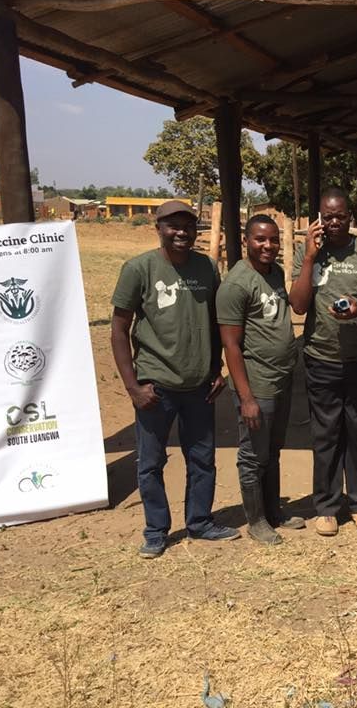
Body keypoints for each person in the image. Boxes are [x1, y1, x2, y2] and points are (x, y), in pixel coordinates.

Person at [110, 200, 239, 559]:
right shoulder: (139, 269)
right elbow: (119, 329)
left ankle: (200, 521)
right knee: (151, 462)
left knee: (202, 458)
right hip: (156, 386)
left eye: (188, 226)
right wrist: (133, 386)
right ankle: (155, 530)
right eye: (173, 226)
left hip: (199, 386)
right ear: (159, 227)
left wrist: (217, 369)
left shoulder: (207, 267)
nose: (182, 233)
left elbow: (215, 323)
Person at [290, 188, 357, 537]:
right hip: (321, 358)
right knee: (326, 434)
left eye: (340, 216)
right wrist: (308, 258)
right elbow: (298, 305)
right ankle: (328, 507)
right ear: (317, 219)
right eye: (327, 216)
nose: (334, 222)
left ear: (351, 217)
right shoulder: (309, 253)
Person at [217, 214, 304, 546]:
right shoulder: (237, 285)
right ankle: (256, 520)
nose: (267, 246)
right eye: (260, 240)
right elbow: (231, 345)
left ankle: (273, 511)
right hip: (257, 384)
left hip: (280, 380)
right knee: (253, 454)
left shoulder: (274, 275)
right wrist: (247, 397)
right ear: (246, 241)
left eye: (272, 240)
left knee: (273, 449)